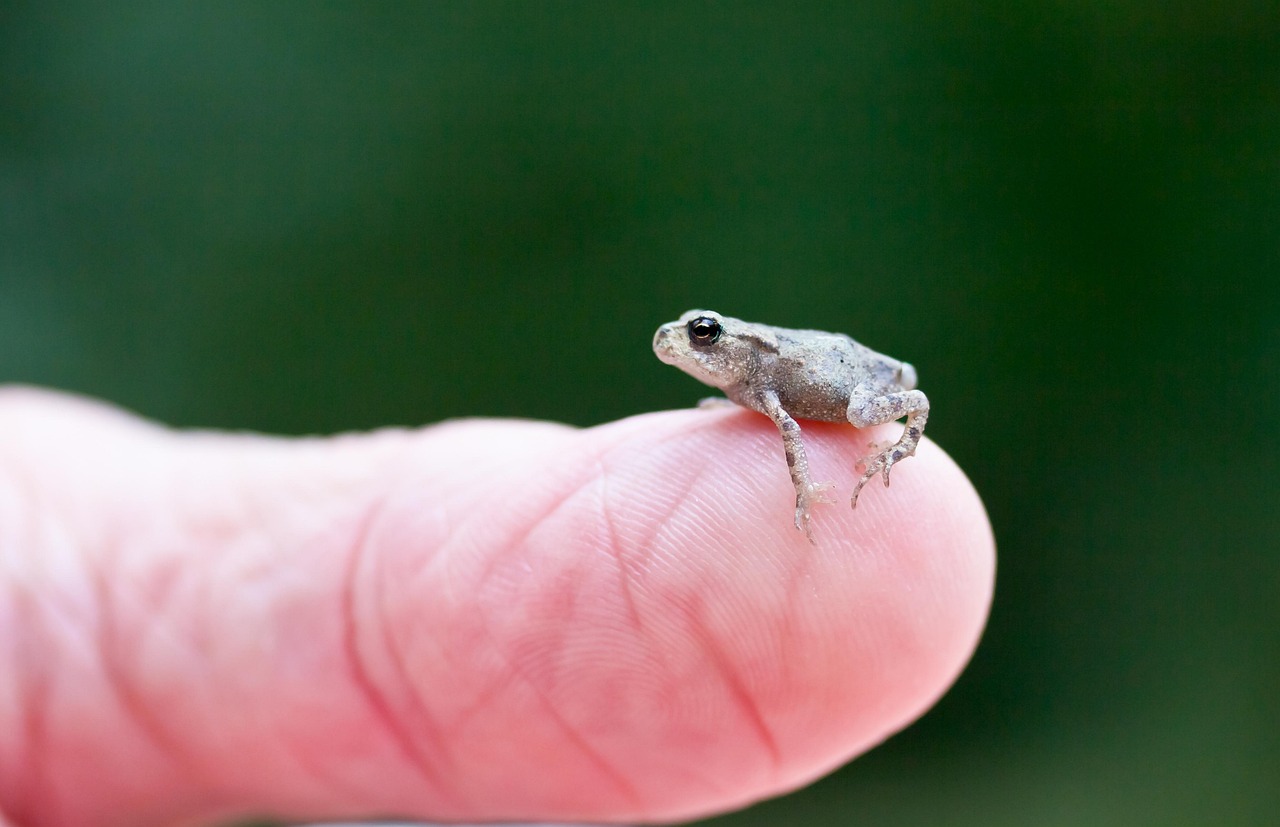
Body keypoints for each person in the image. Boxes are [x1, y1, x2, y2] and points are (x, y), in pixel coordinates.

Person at [0, 387, 994, 827]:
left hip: (848, 388)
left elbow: (799, 424)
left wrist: (817, 482)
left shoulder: (769, 385)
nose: (684, 346)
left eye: (702, 338)